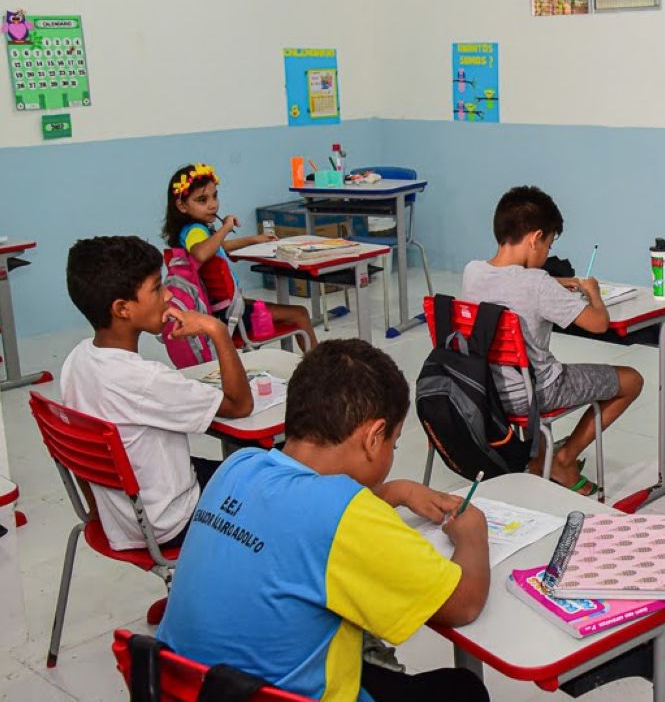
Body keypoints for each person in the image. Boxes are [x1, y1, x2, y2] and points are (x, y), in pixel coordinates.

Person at [158, 339, 490, 702]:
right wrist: (473, 533)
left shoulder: (237, 467)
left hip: (188, 689)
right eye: (393, 444)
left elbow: (297, 519)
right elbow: (463, 604)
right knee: (463, 689)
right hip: (280, 694)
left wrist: (394, 492)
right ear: (373, 438)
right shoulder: (347, 516)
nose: (392, 452)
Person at [61, 236, 252, 551]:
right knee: (267, 473)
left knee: (237, 466)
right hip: (172, 521)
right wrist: (216, 330)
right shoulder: (146, 380)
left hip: (123, 512)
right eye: (157, 288)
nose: (169, 295)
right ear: (122, 308)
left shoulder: (76, 360)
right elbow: (240, 404)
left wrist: (99, 513)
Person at [461, 185, 643, 495]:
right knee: (632, 380)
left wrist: (554, 282)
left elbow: (511, 282)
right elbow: (598, 323)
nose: (547, 252)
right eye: (548, 243)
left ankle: (540, 458)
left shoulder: (472, 272)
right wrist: (593, 293)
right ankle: (563, 459)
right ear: (535, 238)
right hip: (535, 393)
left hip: (484, 389)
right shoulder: (537, 283)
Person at [161, 162, 317, 350]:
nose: (212, 205)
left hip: (221, 308)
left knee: (275, 307)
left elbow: (219, 248)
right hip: (229, 316)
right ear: (182, 206)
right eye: (202, 200)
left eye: (214, 196)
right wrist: (226, 228)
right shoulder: (195, 230)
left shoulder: (192, 231)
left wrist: (253, 239)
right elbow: (201, 253)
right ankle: (318, 364)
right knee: (300, 313)